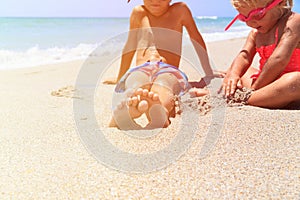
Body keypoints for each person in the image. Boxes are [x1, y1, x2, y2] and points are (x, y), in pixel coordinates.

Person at [104, 0, 221, 129]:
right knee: (136, 82)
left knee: (164, 85)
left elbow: (196, 39)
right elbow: (130, 46)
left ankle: (161, 112)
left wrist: (208, 73)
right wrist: (120, 76)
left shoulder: (180, 11)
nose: (155, 0)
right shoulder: (139, 13)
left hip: (168, 69)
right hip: (142, 67)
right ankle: (126, 111)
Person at [219, 0, 300, 108]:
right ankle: (253, 96)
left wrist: (254, 88)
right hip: (264, 82)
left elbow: (279, 60)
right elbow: (244, 56)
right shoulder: (255, 34)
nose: (249, 23)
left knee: (295, 81)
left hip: (285, 85)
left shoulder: (294, 21)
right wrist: (233, 75)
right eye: (244, 18)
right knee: (240, 71)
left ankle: (243, 97)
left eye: (257, 15)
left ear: (281, 3)